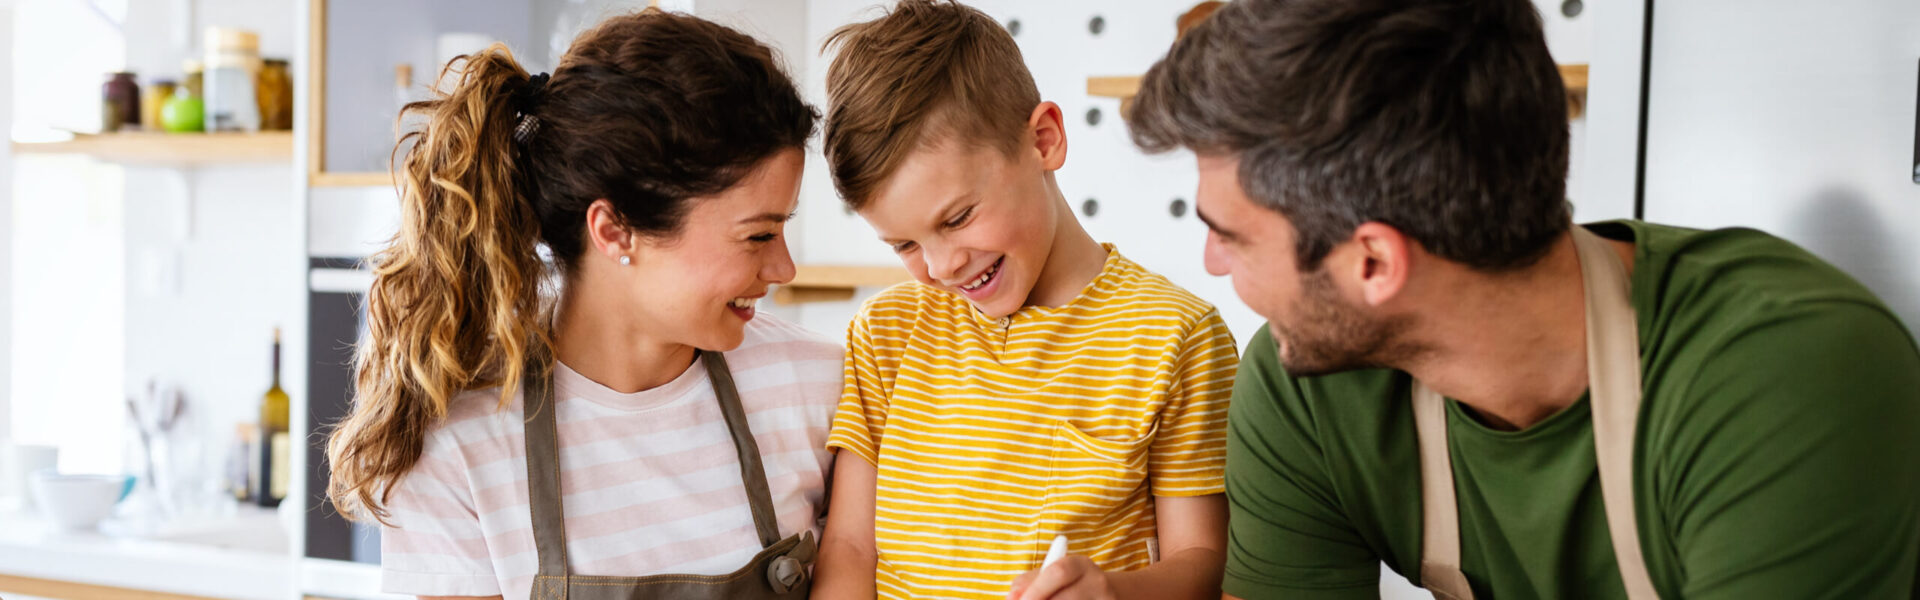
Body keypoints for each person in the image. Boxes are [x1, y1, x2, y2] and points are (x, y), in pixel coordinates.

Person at [1125, 0, 1920, 597]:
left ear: (1373, 262)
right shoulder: (1304, 392)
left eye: (1230, 235)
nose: (1213, 264)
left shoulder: (1787, 375)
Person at [324, 10, 840, 600]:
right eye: (756, 235)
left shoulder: (821, 385)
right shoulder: (460, 445)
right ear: (615, 230)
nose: (784, 269)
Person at [808, 2, 1240, 599]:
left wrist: (1112, 594)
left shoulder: (1175, 336)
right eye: (905, 243)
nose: (940, 266)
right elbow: (851, 547)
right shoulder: (886, 334)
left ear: (1044, 140)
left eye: (957, 218)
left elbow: (1204, 561)